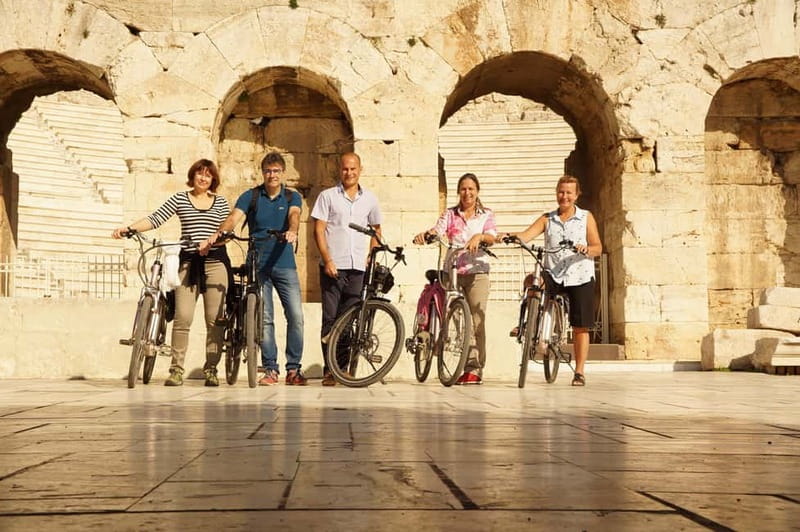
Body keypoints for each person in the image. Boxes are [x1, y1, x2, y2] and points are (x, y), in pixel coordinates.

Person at [113, 159, 231, 387]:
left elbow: (226, 230)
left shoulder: (221, 203)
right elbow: (156, 218)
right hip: (187, 262)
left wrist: (213, 241)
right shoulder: (180, 199)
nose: (203, 178)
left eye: (208, 175)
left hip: (215, 262)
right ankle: (176, 370)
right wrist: (129, 229)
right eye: (199, 174)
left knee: (214, 320)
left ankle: (211, 369)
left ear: (213, 179)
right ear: (193, 175)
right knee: (183, 317)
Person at [202, 151, 306, 386]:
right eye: (268, 171)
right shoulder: (252, 196)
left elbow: (295, 216)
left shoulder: (291, 197)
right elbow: (234, 217)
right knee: (265, 318)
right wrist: (222, 232)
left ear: (283, 173)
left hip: (284, 263)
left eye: (276, 171)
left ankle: (294, 369)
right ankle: (270, 369)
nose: (272, 175)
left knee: (296, 316)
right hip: (257, 263)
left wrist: (293, 231)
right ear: (263, 173)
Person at [500, 175, 602, 386]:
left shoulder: (585, 217)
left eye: (568, 193)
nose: (564, 196)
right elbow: (527, 235)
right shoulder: (548, 218)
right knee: (532, 280)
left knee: (580, 326)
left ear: (576, 195)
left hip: (579, 274)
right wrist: (508, 236)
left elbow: (598, 247)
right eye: (561, 192)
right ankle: (526, 324)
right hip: (554, 272)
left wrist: (586, 249)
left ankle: (580, 372)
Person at [413, 172, 497, 385]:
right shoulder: (450, 214)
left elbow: (492, 236)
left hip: (477, 271)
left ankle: (475, 369)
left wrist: (479, 237)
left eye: (471, 189)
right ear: (458, 191)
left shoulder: (485, 214)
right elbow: (438, 230)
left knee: (477, 321)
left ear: (477, 191)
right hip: (453, 271)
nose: (467, 192)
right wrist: (426, 235)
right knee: (459, 319)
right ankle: (463, 364)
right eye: (463, 188)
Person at [311, 152, 382, 386]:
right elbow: (318, 230)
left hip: (357, 268)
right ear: (339, 170)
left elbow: (376, 230)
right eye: (344, 169)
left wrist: (370, 257)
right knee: (330, 319)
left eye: (353, 169)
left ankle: (342, 369)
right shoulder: (327, 196)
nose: (349, 173)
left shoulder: (370, 199)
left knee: (349, 320)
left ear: (360, 169)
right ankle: (329, 371)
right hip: (333, 266)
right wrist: (328, 260)